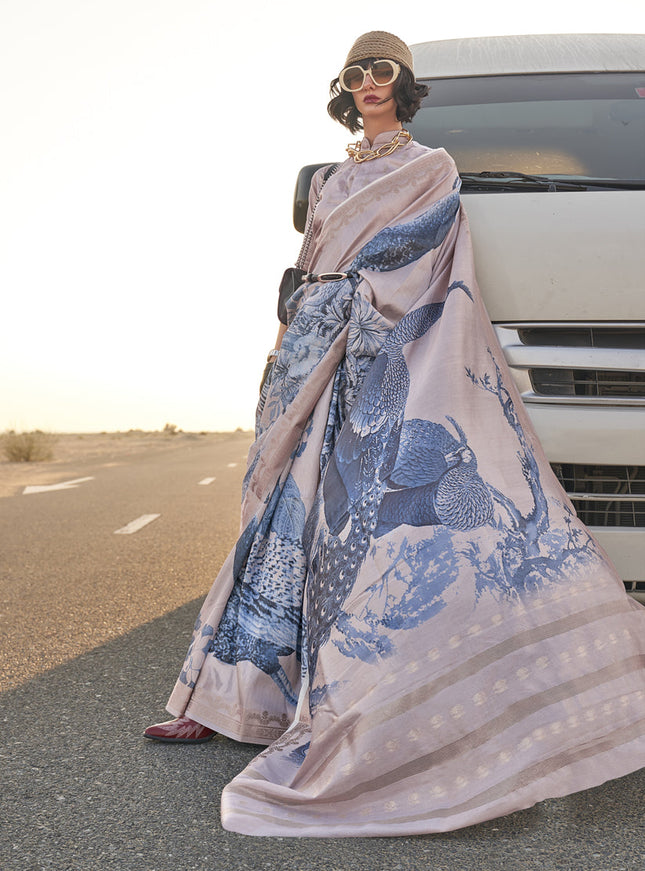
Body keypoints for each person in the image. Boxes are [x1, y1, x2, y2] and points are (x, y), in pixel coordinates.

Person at [144, 31, 645, 837]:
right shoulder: (337, 177)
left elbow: (423, 266)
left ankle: (378, 698)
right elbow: (310, 267)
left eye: (383, 72)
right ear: (344, 90)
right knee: (281, 518)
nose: (369, 83)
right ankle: (224, 699)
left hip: (377, 359)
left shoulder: (432, 168)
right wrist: (286, 348)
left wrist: (355, 309)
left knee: (367, 536)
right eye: (356, 74)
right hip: (311, 354)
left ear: (403, 86)